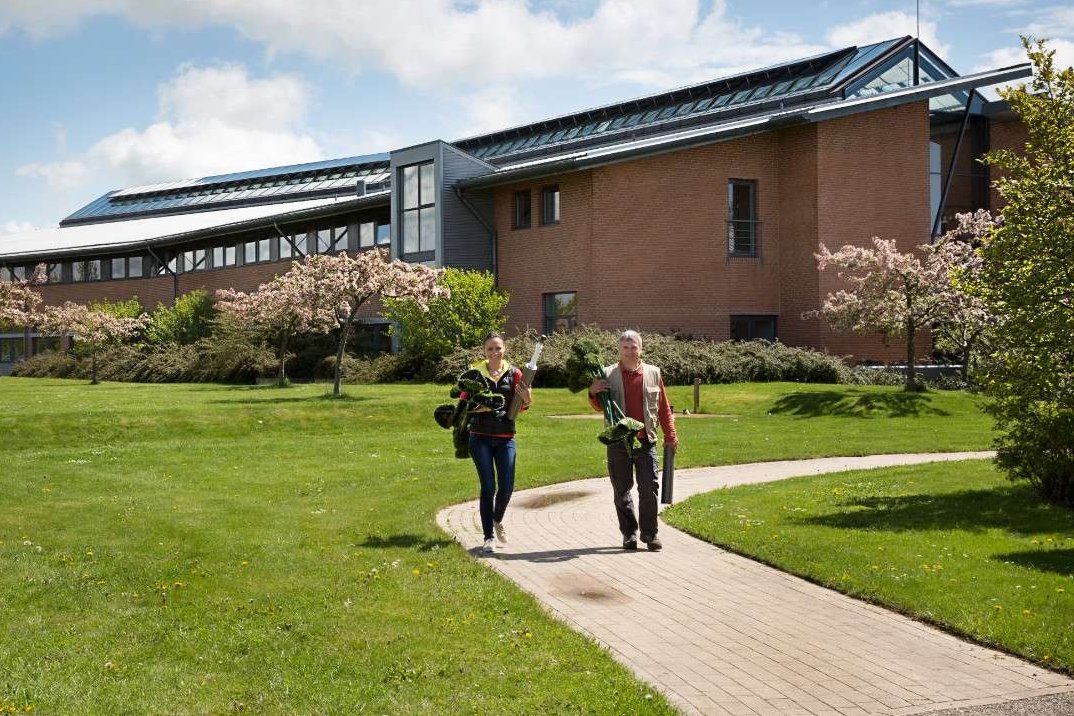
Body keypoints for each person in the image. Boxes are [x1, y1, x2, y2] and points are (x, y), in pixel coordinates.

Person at [588, 330, 677, 551]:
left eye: (633, 346)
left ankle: (650, 534)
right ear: (620, 350)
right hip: (618, 442)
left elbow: (664, 407)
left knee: (649, 488)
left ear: (640, 349)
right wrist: (592, 391)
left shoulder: (653, 373)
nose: (629, 351)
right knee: (621, 489)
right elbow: (599, 405)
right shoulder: (607, 374)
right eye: (625, 347)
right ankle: (629, 534)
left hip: (645, 440)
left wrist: (670, 434)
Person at [457, 332, 532, 554]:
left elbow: (525, 404)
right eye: (490, 349)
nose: (494, 352)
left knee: (507, 486)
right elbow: (463, 404)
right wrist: (479, 406)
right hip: (479, 437)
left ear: (504, 349)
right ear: (484, 352)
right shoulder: (474, 374)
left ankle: (497, 519)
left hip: (505, 437)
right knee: (488, 486)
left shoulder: (515, 373)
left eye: (498, 348)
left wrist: (527, 397)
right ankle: (488, 536)